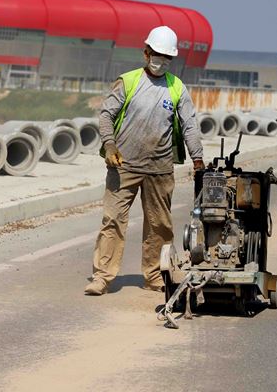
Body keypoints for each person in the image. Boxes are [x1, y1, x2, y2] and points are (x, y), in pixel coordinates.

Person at [84, 25, 205, 296]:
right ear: (146, 52)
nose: (161, 61)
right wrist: (110, 144)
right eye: (157, 54)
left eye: (166, 57)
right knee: (112, 220)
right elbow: (106, 115)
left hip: (160, 168)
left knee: (159, 225)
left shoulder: (177, 88)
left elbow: (189, 125)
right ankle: (102, 277)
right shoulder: (128, 81)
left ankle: (155, 275)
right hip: (123, 164)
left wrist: (198, 159)